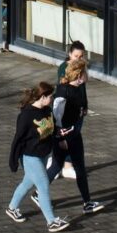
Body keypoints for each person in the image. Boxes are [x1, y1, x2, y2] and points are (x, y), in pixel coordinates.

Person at [6, 81, 71, 233]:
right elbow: (18, 139)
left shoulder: (47, 110)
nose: (52, 99)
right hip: (30, 157)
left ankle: (12, 208)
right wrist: (13, 160)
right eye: (50, 96)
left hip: (42, 154)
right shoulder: (26, 115)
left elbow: (52, 128)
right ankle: (52, 221)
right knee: (43, 185)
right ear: (42, 97)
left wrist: (60, 136)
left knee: (27, 183)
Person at [45, 60, 105, 215]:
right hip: (64, 138)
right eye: (85, 72)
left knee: (80, 168)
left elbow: (79, 106)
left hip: (75, 136)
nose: (87, 75)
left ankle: (87, 203)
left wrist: (81, 111)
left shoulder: (78, 88)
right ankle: (38, 194)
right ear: (79, 75)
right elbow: (56, 118)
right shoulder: (63, 93)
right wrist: (61, 139)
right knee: (56, 167)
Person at [56, 41, 88, 179]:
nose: (78, 59)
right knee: (66, 137)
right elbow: (63, 88)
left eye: (81, 56)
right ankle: (63, 165)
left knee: (74, 136)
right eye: (76, 56)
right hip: (69, 108)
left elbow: (83, 87)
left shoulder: (81, 68)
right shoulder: (64, 68)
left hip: (79, 106)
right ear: (70, 54)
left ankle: (65, 164)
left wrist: (85, 105)